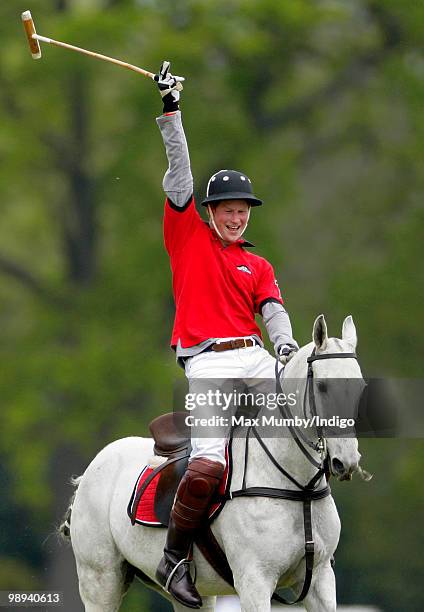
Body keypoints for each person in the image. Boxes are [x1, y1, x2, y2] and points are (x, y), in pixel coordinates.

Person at [154, 61, 299, 609]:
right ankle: (173, 558)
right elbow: (179, 174)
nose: (238, 219)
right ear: (210, 211)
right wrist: (172, 112)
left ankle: (293, 547)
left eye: (243, 212)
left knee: (312, 416)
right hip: (209, 363)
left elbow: (274, 310)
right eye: (229, 211)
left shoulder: (256, 264)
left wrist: (284, 346)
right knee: (211, 463)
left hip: (257, 358)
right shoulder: (186, 233)